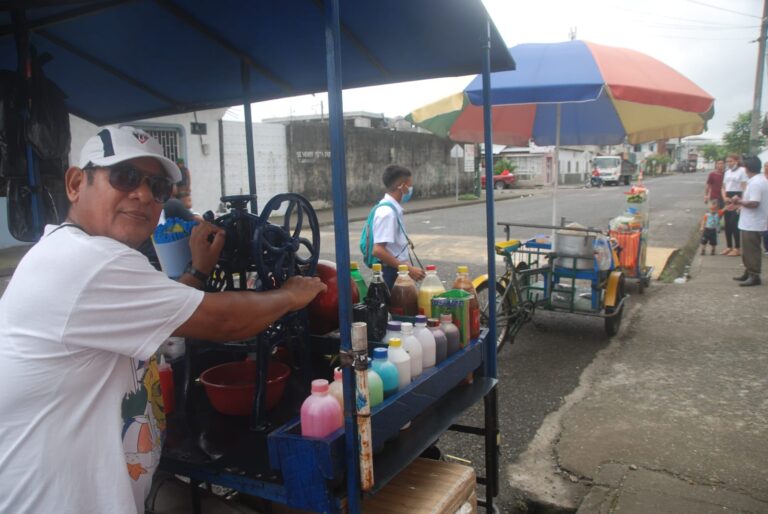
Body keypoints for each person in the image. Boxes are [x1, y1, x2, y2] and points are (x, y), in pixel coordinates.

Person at [0, 126, 326, 514]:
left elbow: (162, 311)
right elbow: (224, 322)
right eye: (124, 177)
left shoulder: (67, 252)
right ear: (75, 183)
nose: (142, 195)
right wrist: (291, 294)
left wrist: (199, 271)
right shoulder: (89, 262)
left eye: (157, 188)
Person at [371, 164, 426, 289]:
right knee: (396, 307)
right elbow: (378, 250)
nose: (411, 189)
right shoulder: (387, 213)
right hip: (391, 272)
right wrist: (409, 269)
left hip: (396, 269)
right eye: (410, 185)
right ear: (402, 186)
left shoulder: (392, 209)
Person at [731, 155, 768, 287]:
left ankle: (754, 275)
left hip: (754, 223)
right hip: (750, 222)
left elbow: (754, 203)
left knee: (752, 250)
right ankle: (748, 272)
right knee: (747, 250)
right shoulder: (757, 180)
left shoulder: (756, 182)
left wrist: (739, 201)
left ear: (748, 168)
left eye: (744, 166)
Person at [720, 154, 747, 256]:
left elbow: (744, 187)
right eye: (727, 161)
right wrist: (724, 197)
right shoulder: (727, 172)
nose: (729, 163)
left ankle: (737, 248)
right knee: (727, 224)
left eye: (730, 161)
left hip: (737, 197)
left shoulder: (742, 171)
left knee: (734, 223)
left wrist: (741, 202)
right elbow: (723, 187)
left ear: (736, 161)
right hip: (728, 198)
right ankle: (729, 246)